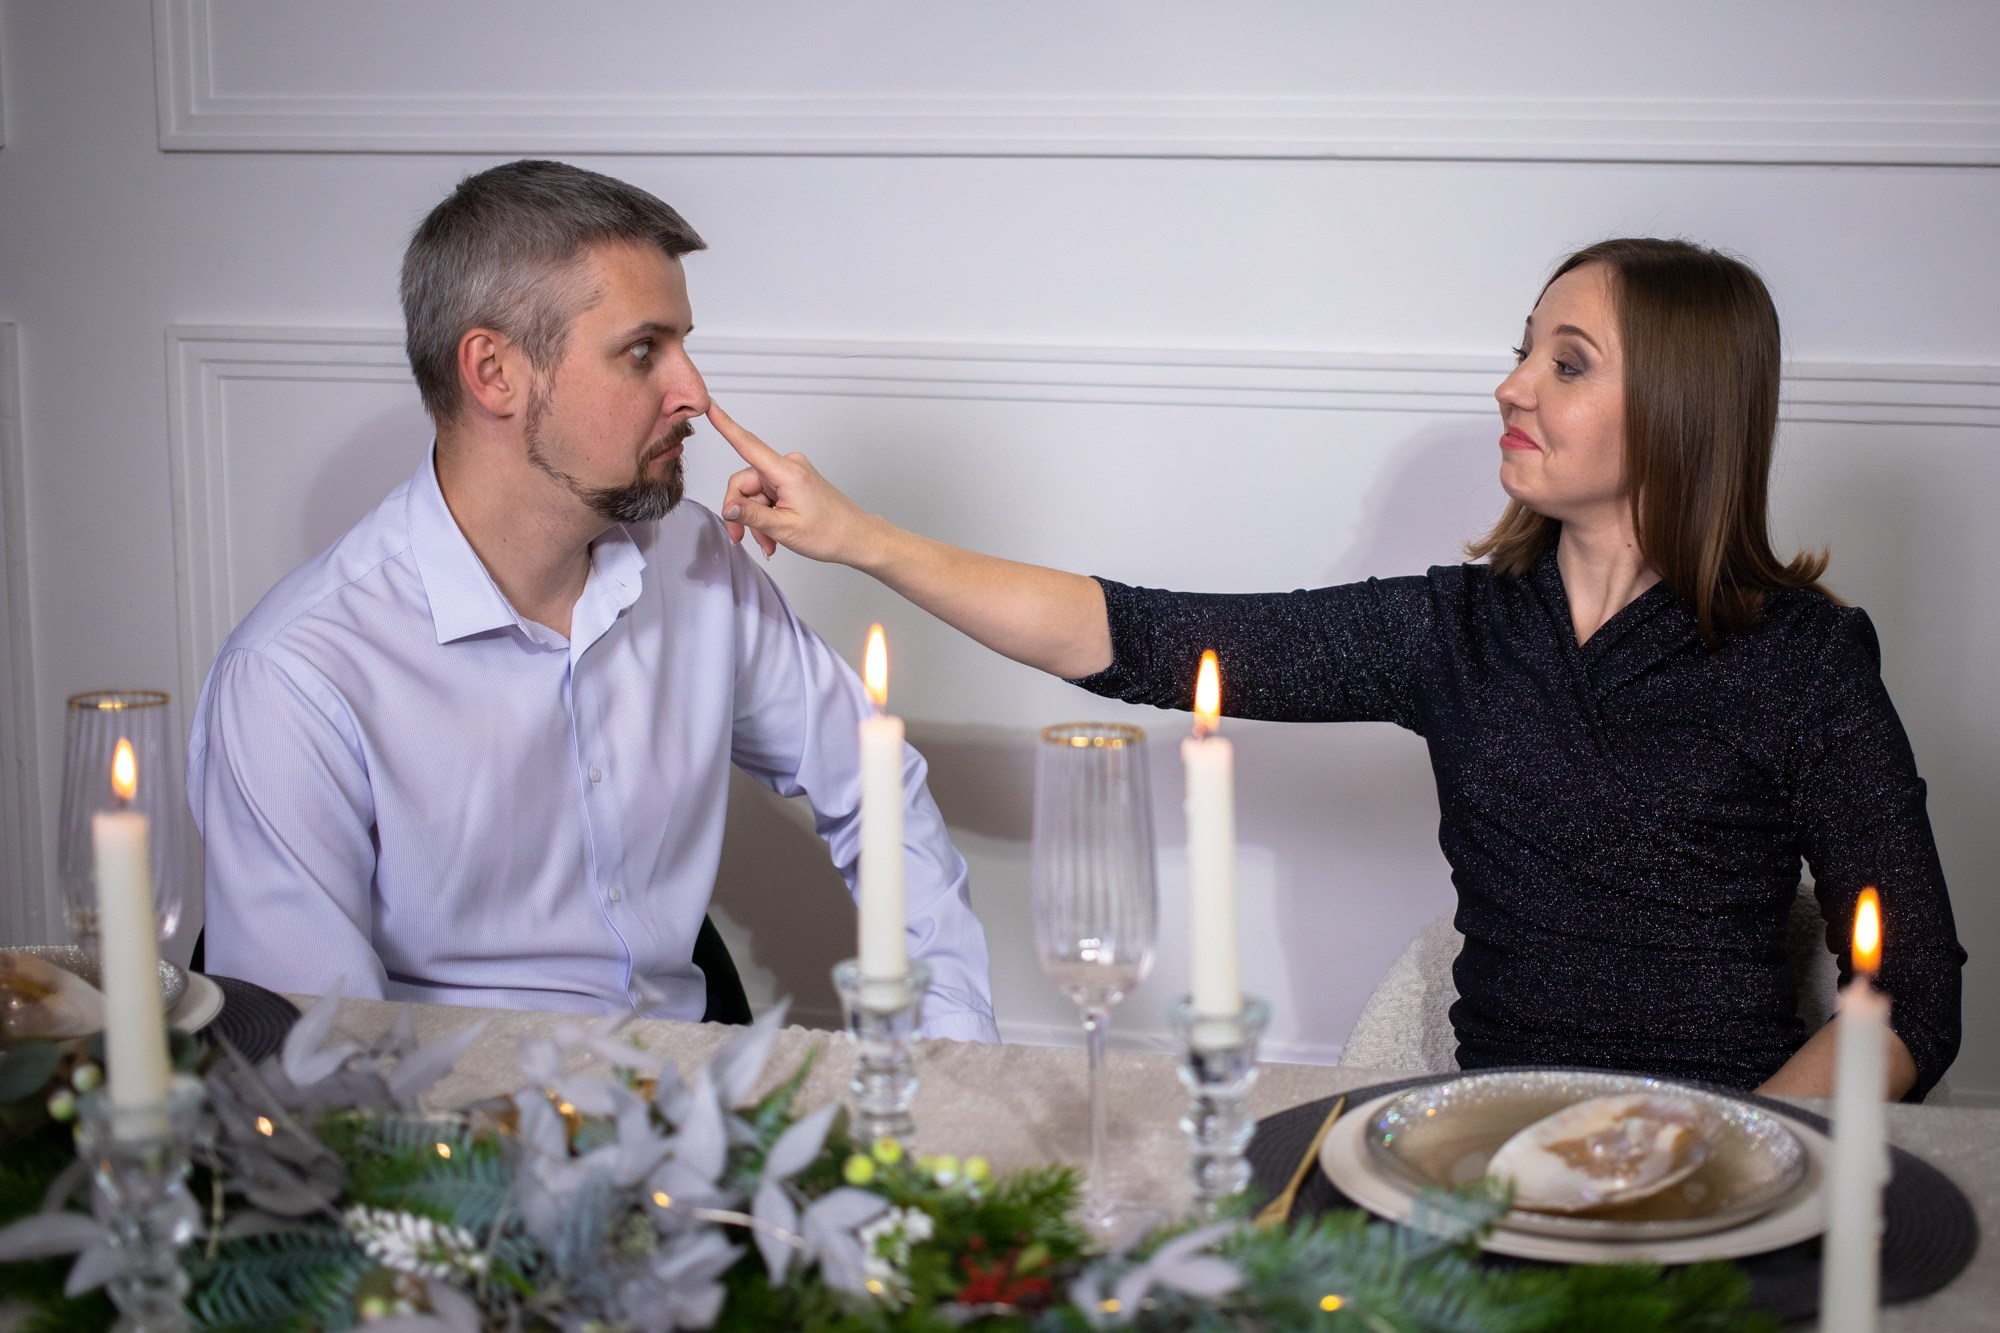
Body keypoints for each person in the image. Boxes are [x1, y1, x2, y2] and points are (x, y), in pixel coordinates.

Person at [707, 237, 1963, 1098]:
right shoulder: (1455, 630)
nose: (1509, 384)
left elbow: (1910, 995)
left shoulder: (1801, 660)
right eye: (1522, 347)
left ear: (1683, 409)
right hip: (1486, 1157)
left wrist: (1738, 1158)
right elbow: (1134, 637)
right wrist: (859, 538)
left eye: (1564, 363)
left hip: (1721, 1160)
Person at [187, 160, 998, 1042]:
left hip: (696, 1101)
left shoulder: (695, 559)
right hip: (456, 1144)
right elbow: (319, 1072)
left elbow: (873, 785)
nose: (692, 392)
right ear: (493, 372)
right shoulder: (295, 678)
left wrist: (950, 1044)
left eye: (683, 344)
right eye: (642, 350)